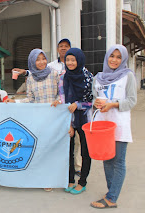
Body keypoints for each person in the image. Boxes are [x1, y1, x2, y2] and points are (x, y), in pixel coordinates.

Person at [6, 49, 60, 192]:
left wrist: (59, 101)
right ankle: (41, 178)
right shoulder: (30, 79)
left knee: (52, 150)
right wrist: (15, 102)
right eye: (38, 59)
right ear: (32, 62)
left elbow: (62, 94)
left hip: (54, 119)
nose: (42, 62)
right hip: (39, 120)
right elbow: (30, 100)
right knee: (39, 149)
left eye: (43, 58)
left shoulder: (55, 74)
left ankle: (51, 179)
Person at [90, 45, 137, 209]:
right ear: (106, 57)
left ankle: (111, 198)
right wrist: (96, 103)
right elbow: (95, 99)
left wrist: (113, 104)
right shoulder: (98, 78)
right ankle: (112, 192)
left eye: (118, 57)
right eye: (112, 56)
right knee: (107, 159)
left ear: (123, 59)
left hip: (119, 124)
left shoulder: (128, 76)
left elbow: (131, 101)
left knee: (118, 162)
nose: (114, 60)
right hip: (102, 125)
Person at [54, 48, 93, 195]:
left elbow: (91, 100)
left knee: (85, 151)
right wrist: (68, 122)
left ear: (79, 60)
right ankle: (70, 179)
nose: (70, 63)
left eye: (73, 60)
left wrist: (78, 104)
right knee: (68, 151)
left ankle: (82, 182)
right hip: (69, 118)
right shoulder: (64, 77)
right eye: (68, 60)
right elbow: (63, 98)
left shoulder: (88, 76)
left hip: (84, 119)